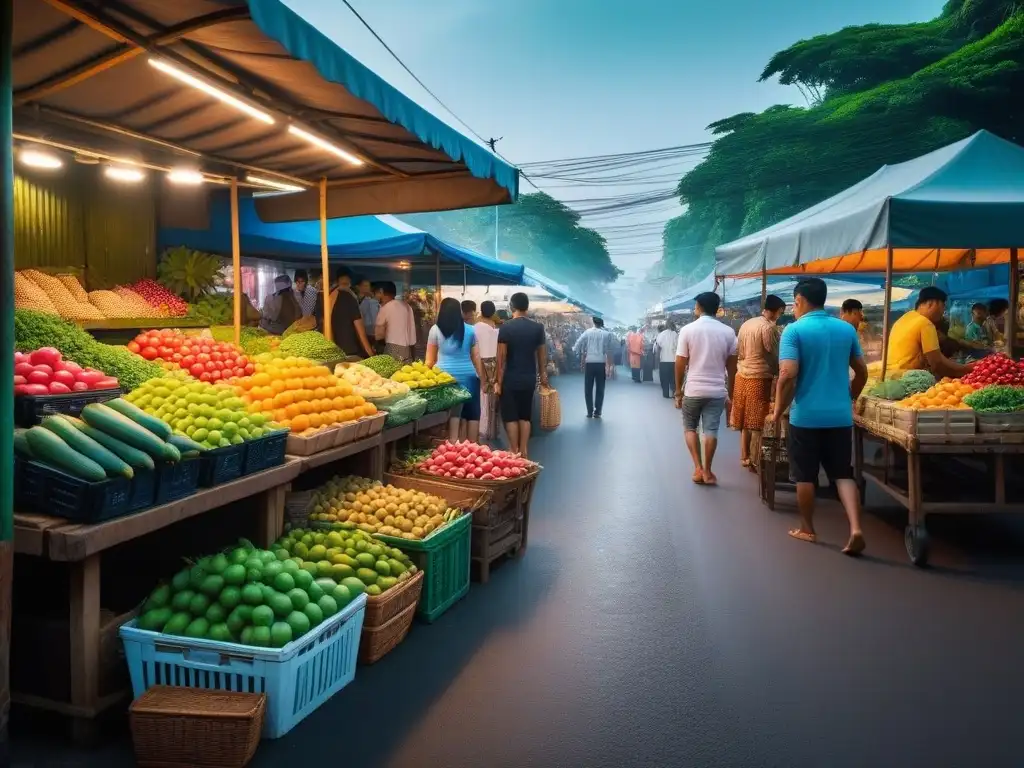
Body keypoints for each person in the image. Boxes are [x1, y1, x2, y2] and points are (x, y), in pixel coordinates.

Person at [772, 278, 868, 555]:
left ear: (800, 300)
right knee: (842, 473)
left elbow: (787, 375)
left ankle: (807, 529)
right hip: (840, 416)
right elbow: (862, 372)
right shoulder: (846, 329)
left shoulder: (793, 331)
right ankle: (856, 528)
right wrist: (850, 397)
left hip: (806, 417)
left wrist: (778, 410)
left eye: (794, 301)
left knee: (805, 475)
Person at [674, 292, 737, 486]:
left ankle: (697, 468)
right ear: (716, 309)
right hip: (717, 390)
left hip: (693, 389)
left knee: (690, 427)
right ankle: (708, 470)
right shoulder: (728, 332)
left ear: (699, 307)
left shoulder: (687, 330)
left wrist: (678, 391)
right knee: (711, 430)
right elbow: (732, 367)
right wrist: (731, 393)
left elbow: (680, 362)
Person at [732, 294, 785, 472]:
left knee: (746, 418)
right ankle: (755, 460)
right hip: (759, 377)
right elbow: (773, 354)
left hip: (741, 375)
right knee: (757, 420)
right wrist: (779, 372)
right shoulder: (768, 328)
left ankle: (744, 455)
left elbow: (738, 349)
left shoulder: (747, 324)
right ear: (778, 311)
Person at [496, 292, 547, 458]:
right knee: (525, 415)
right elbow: (542, 355)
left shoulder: (506, 327)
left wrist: (497, 381)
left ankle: (513, 449)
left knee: (511, 416)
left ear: (512, 306)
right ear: (527, 306)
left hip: (510, 378)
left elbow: (501, 359)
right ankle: (524, 450)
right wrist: (543, 375)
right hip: (529, 378)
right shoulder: (538, 328)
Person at [426, 297, 484, 443]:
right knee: (472, 414)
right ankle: (472, 449)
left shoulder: (435, 330)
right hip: (469, 376)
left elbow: (430, 361)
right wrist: (481, 378)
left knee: (451, 414)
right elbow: (476, 357)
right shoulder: (471, 330)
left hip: (444, 378)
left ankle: (451, 447)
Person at [886, 286, 974, 378]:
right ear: (931, 303)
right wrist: (966, 372)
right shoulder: (925, 324)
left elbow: (938, 357)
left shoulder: (905, 318)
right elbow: (937, 364)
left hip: (891, 375)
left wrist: (964, 368)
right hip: (906, 377)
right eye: (943, 305)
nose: (943, 311)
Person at [322, 269, 374, 359]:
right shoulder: (349, 297)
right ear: (350, 281)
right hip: (349, 349)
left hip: (332, 347)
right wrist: (369, 352)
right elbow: (359, 327)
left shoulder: (329, 296)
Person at [573, 316, 614, 418]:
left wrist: (575, 350)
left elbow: (578, 343)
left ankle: (589, 411)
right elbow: (609, 350)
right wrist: (609, 366)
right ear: (601, 324)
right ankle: (598, 411)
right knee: (600, 388)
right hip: (601, 363)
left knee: (588, 388)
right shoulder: (606, 334)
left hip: (589, 363)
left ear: (593, 322)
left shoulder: (587, 332)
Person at [474, 301, 501, 440]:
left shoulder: (475, 326)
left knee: (480, 395)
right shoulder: (495, 328)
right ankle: (491, 430)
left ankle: (480, 428)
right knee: (491, 397)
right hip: (493, 364)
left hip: (477, 362)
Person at [374, 281, 417, 363]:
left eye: (376, 293)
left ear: (381, 291)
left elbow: (379, 334)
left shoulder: (385, 308)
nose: (375, 297)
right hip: (409, 349)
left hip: (392, 348)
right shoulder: (406, 306)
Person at [654, 321, 679, 399]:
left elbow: (658, 345)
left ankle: (665, 394)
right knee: (673, 378)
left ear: (666, 326)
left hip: (664, 360)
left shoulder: (661, 334)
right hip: (674, 360)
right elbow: (678, 346)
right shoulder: (675, 334)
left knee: (664, 378)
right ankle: (674, 393)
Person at [356, 277, 380, 344]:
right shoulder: (354, 299)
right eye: (365, 286)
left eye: (368, 286)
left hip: (370, 332)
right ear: (359, 287)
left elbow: (374, 317)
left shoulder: (372, 301)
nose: (367, 288)